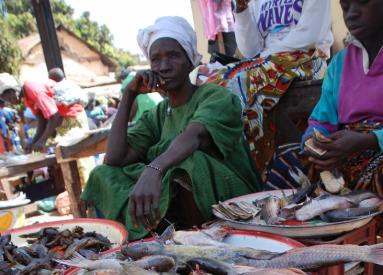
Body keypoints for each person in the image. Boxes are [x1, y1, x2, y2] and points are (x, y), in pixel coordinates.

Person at [81, 16, 261, 240]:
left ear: (190, 61)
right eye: (155, 59)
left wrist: (154, 169)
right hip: (179, 198)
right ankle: (157, 235)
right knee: (102, 174)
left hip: (231, 197)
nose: (164, 66)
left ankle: (201, 241)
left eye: (173, 55)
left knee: (189, 162)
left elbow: (194, 136)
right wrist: (129, 95)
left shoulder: (215, 96)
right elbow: (114, 159)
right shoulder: (158, 114)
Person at [266, 0, 383, 197]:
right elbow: (322, 119)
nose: (351, 14)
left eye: (362, 3)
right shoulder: (340, 63)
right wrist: (315, 143)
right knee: (285, 158)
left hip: (375, 151)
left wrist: (369, 140)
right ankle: (285, 222)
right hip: (343, 151)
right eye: (345, 6)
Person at [200, 0, 333, 173]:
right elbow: (250, 49)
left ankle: (255, 168)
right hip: (265, 62)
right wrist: (242, 11)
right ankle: (224, 161)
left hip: (307, 58)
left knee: (241, 80)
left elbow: (310, 35)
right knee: (208, 79)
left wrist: (262, 60)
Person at [0, 73, 88, 152]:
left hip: (73, 116)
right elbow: (42, 121)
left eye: (10, 99)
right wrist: (33, 143)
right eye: (8, 101)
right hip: (63, 121)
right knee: (70, 159)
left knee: (80, 157)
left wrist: (42, 140)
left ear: (14, 90)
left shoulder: (34, 90)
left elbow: (55, 117)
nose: (11, 103)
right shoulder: (27, 98)